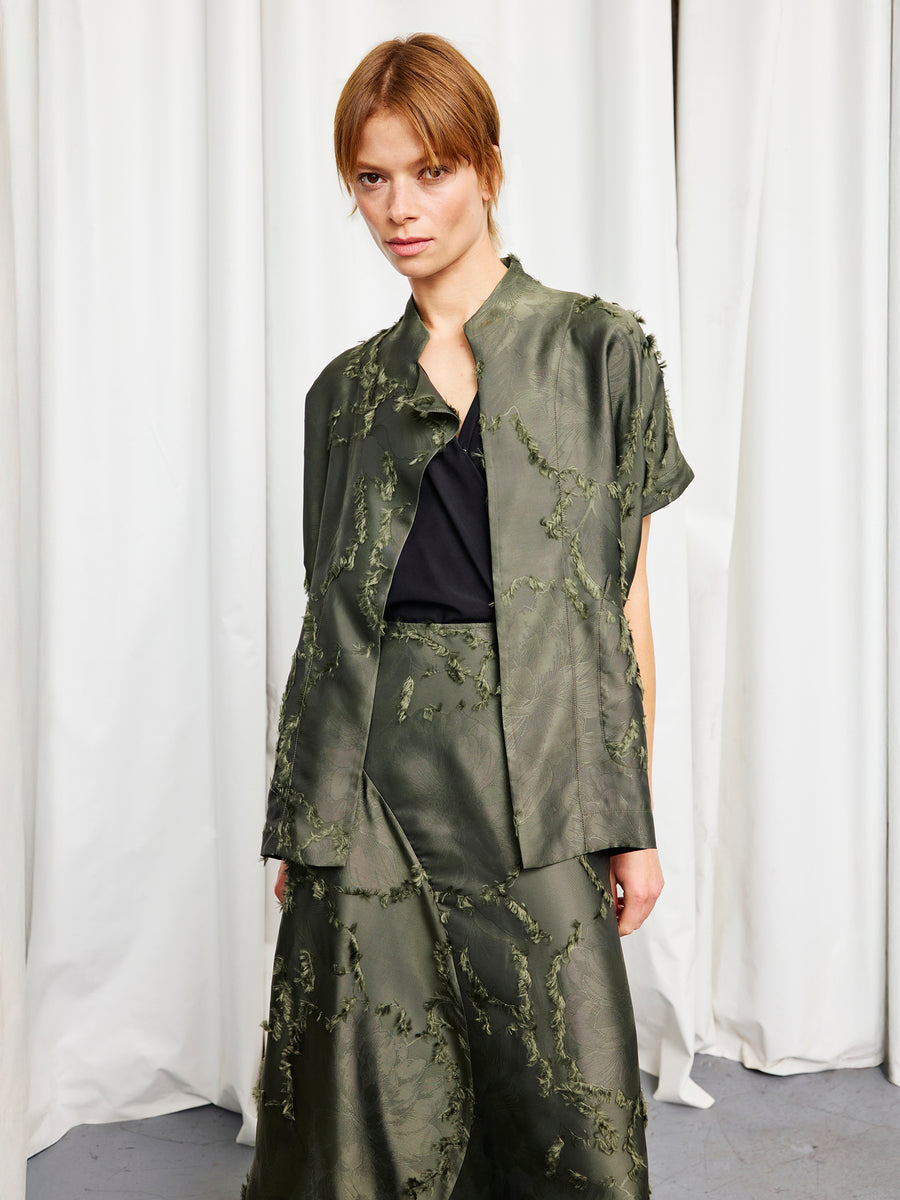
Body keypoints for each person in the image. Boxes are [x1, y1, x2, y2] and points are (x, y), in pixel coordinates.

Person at [242, 32, 692, 1200]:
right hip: (372, 778)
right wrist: (307, 814)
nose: (400, 207)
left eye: (429, 170)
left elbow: (622, 603)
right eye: (372, 179)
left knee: (564, 1097)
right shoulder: (341, 395)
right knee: (370, 1106)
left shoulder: (602, 351)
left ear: (487, 166)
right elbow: (326, 617)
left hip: (537, 763)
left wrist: (630, 811)